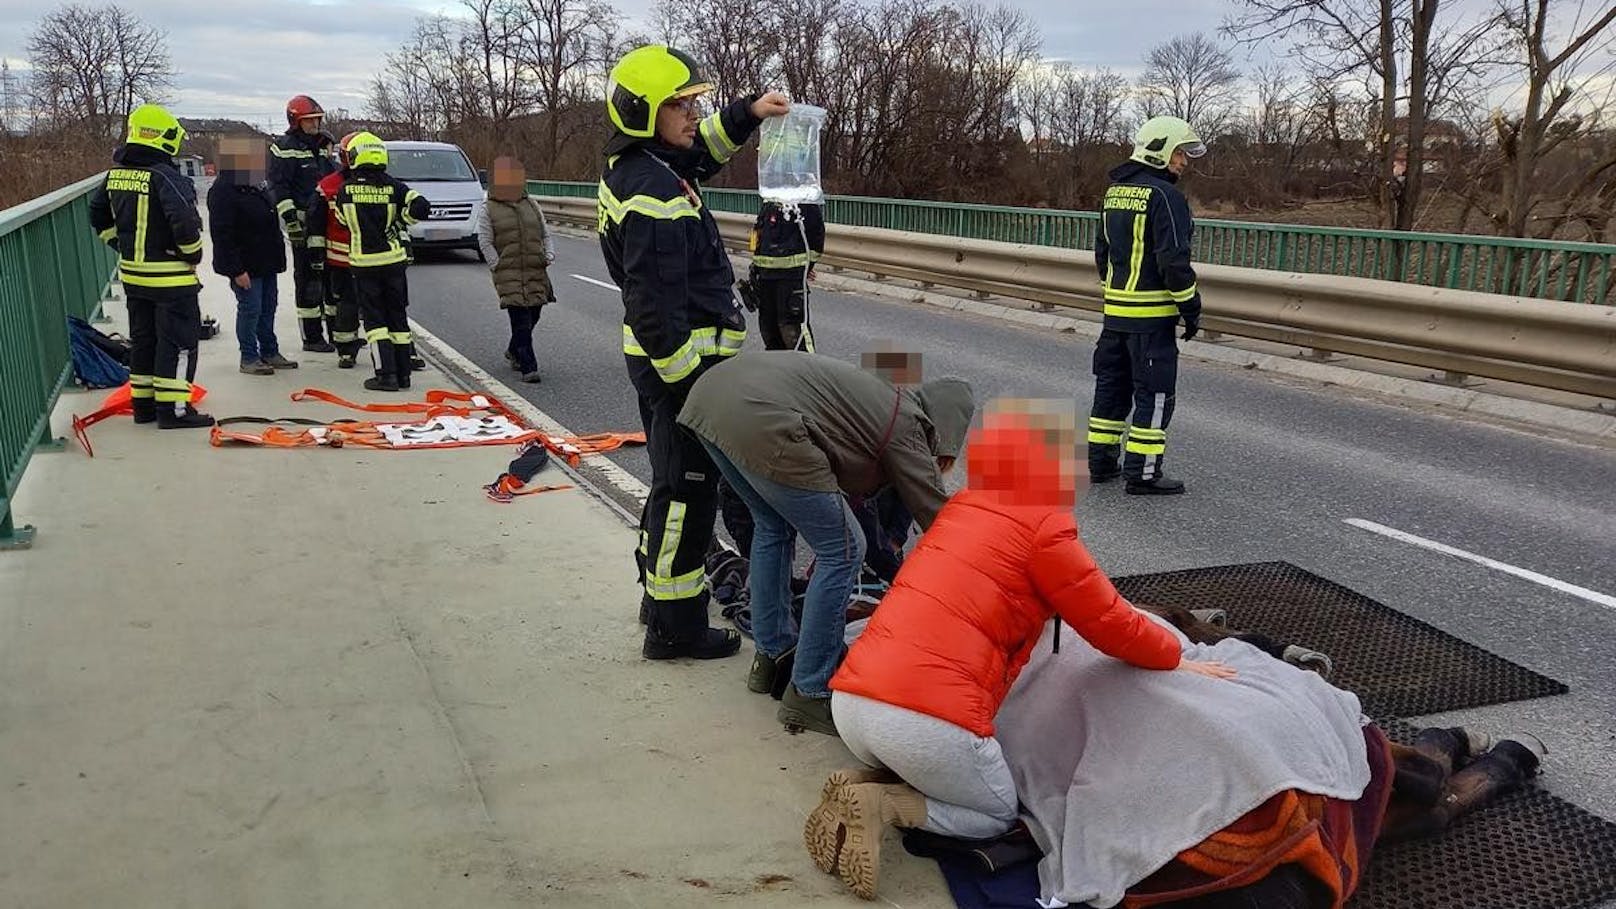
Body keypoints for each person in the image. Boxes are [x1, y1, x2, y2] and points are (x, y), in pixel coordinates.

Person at [808, 399, 1234, 899]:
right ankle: (884, 805)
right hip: (925, 720)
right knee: (994, 814)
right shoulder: (1044, 528)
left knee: (934, 762)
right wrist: (1176, 658)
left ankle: (864, 779)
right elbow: (1111, 623)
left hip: (853, 703)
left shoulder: (962, 508)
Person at [597, 43, 790, 661]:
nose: (690, 113)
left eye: (691, 102)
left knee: (672, 488)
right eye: (678, 104)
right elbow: (655, 314)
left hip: (681, 370)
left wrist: (750, 112)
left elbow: (702, 146)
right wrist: (693, 391)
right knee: (686, 495)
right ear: (643, 111)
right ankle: (676, 629)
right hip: (683, 374)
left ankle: (661, 601)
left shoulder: (652, 163)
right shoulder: (652, 192)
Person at [677, 350, 978, 735]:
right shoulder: (908, 423)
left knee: (772, 526)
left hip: (712, 400)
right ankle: (810, 689)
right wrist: (986, 559)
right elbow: (936, 513)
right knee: (844, 549)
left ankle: (772, 658)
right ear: (944, 427)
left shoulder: (883, 398)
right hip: (763, 420)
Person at [1088, 115, 1206, 496]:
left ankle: (1102, 463)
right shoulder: (1166, 197)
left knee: (1111, 389)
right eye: (1179, 153)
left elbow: (1102, 253)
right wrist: (1190, 308)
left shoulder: (1114, 193)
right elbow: (1173, 261)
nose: (1184, 162)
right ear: (1160, 151)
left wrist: (1116, 295)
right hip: (1152, 320)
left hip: (1115, 316)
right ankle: (1143, 473)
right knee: (1154, 395)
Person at [88, 104, 214, 429]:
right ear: (162, 137)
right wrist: (193, 254)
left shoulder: (116, 175)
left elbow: (97, 214)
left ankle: (143, 407)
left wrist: (120, 245)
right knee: (180, 344)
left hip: (134, 276)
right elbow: (185, 223)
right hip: (171, 281)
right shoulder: (165, 176)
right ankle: (174, 411)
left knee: (145, 342)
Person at [324, 132, 431, 392]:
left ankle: (386, 376)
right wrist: (400, 222)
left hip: (365, 265)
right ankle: (404, 376)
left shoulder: (345, 190)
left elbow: (340, 220)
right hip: (394, 263)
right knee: (398, 318)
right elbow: (421, 206)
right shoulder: (395, 186)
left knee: (374, 322)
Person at [207, 136, 296, 376]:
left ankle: (269, 351)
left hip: (266, 260)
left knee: (268, 307)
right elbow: (223, 234)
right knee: (250, 309)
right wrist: (236, 270)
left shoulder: (257, 185)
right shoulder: (223, 191)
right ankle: (249, 356)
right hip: (245, 264)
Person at [476, 155, 555, 384]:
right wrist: (496, 264)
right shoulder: (488, 208)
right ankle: (528, 366)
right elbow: (485, 240)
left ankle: (514, 349)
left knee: (535, 312)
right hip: (508, 272)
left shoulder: (531, 204)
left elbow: (544, 232)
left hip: (535, 268)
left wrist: (548, 254)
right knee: (520, 317)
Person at [269, 94, 338, 353]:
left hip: (326, 223)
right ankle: (312, 337)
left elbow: (331, 179)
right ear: (296, 121)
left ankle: (338, 332)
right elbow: (279, 187)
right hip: (304, 224)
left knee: (332, 280)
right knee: (309, 281)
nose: (316, 124)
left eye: (318, 120)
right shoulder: (284, 146)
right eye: (310, 121)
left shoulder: (322, 145)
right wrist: (291, 223)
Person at [306, 132, 365, 369]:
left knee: (346, 304)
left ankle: (346, 350)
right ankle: (347, 347)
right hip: (350, 260)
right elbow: (316, 223)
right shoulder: (328, 186)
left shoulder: (328, 185)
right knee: (356, 304)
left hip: (343, 259)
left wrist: (318, 255)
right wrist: (317, 256)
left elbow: (315, 223)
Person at [741, 200, 825, 350]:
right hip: (765, 280)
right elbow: (759, 237)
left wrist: (806, 267)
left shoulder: (804, 203)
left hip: (790, 280)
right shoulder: (769, 202)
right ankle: (779, 371)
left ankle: (806, 371)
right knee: (770, 332)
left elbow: (816, 237)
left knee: (794, 334)